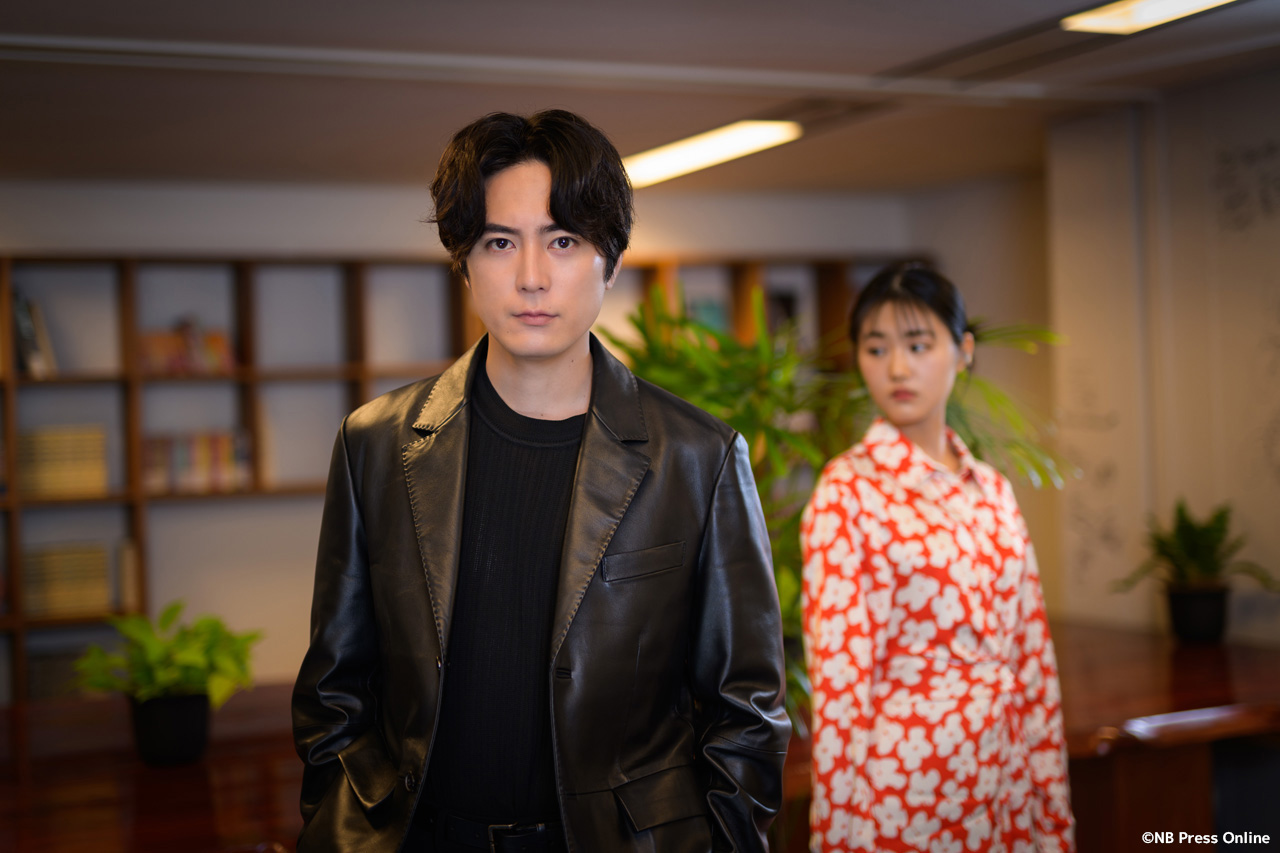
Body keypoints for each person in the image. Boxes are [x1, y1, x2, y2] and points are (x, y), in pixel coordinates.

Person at [292, 109, 790, 853]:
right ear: (464, 262)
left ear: (610, 261)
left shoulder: (698, 457)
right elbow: (334, 692)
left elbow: (746, 713)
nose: (531, 276)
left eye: (563, 241)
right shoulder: (375, 443)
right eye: (500, 242)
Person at [800, 263, 1074, 852]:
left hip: (1008, 787)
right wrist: (836, 835)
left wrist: (1053, 817)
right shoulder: (847, 492)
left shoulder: (992, 490)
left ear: (963, 352)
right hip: (907, 797)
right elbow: (841, 683)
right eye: (877, 348)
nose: (897, 368)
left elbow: (1032, 658)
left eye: (918, 345)